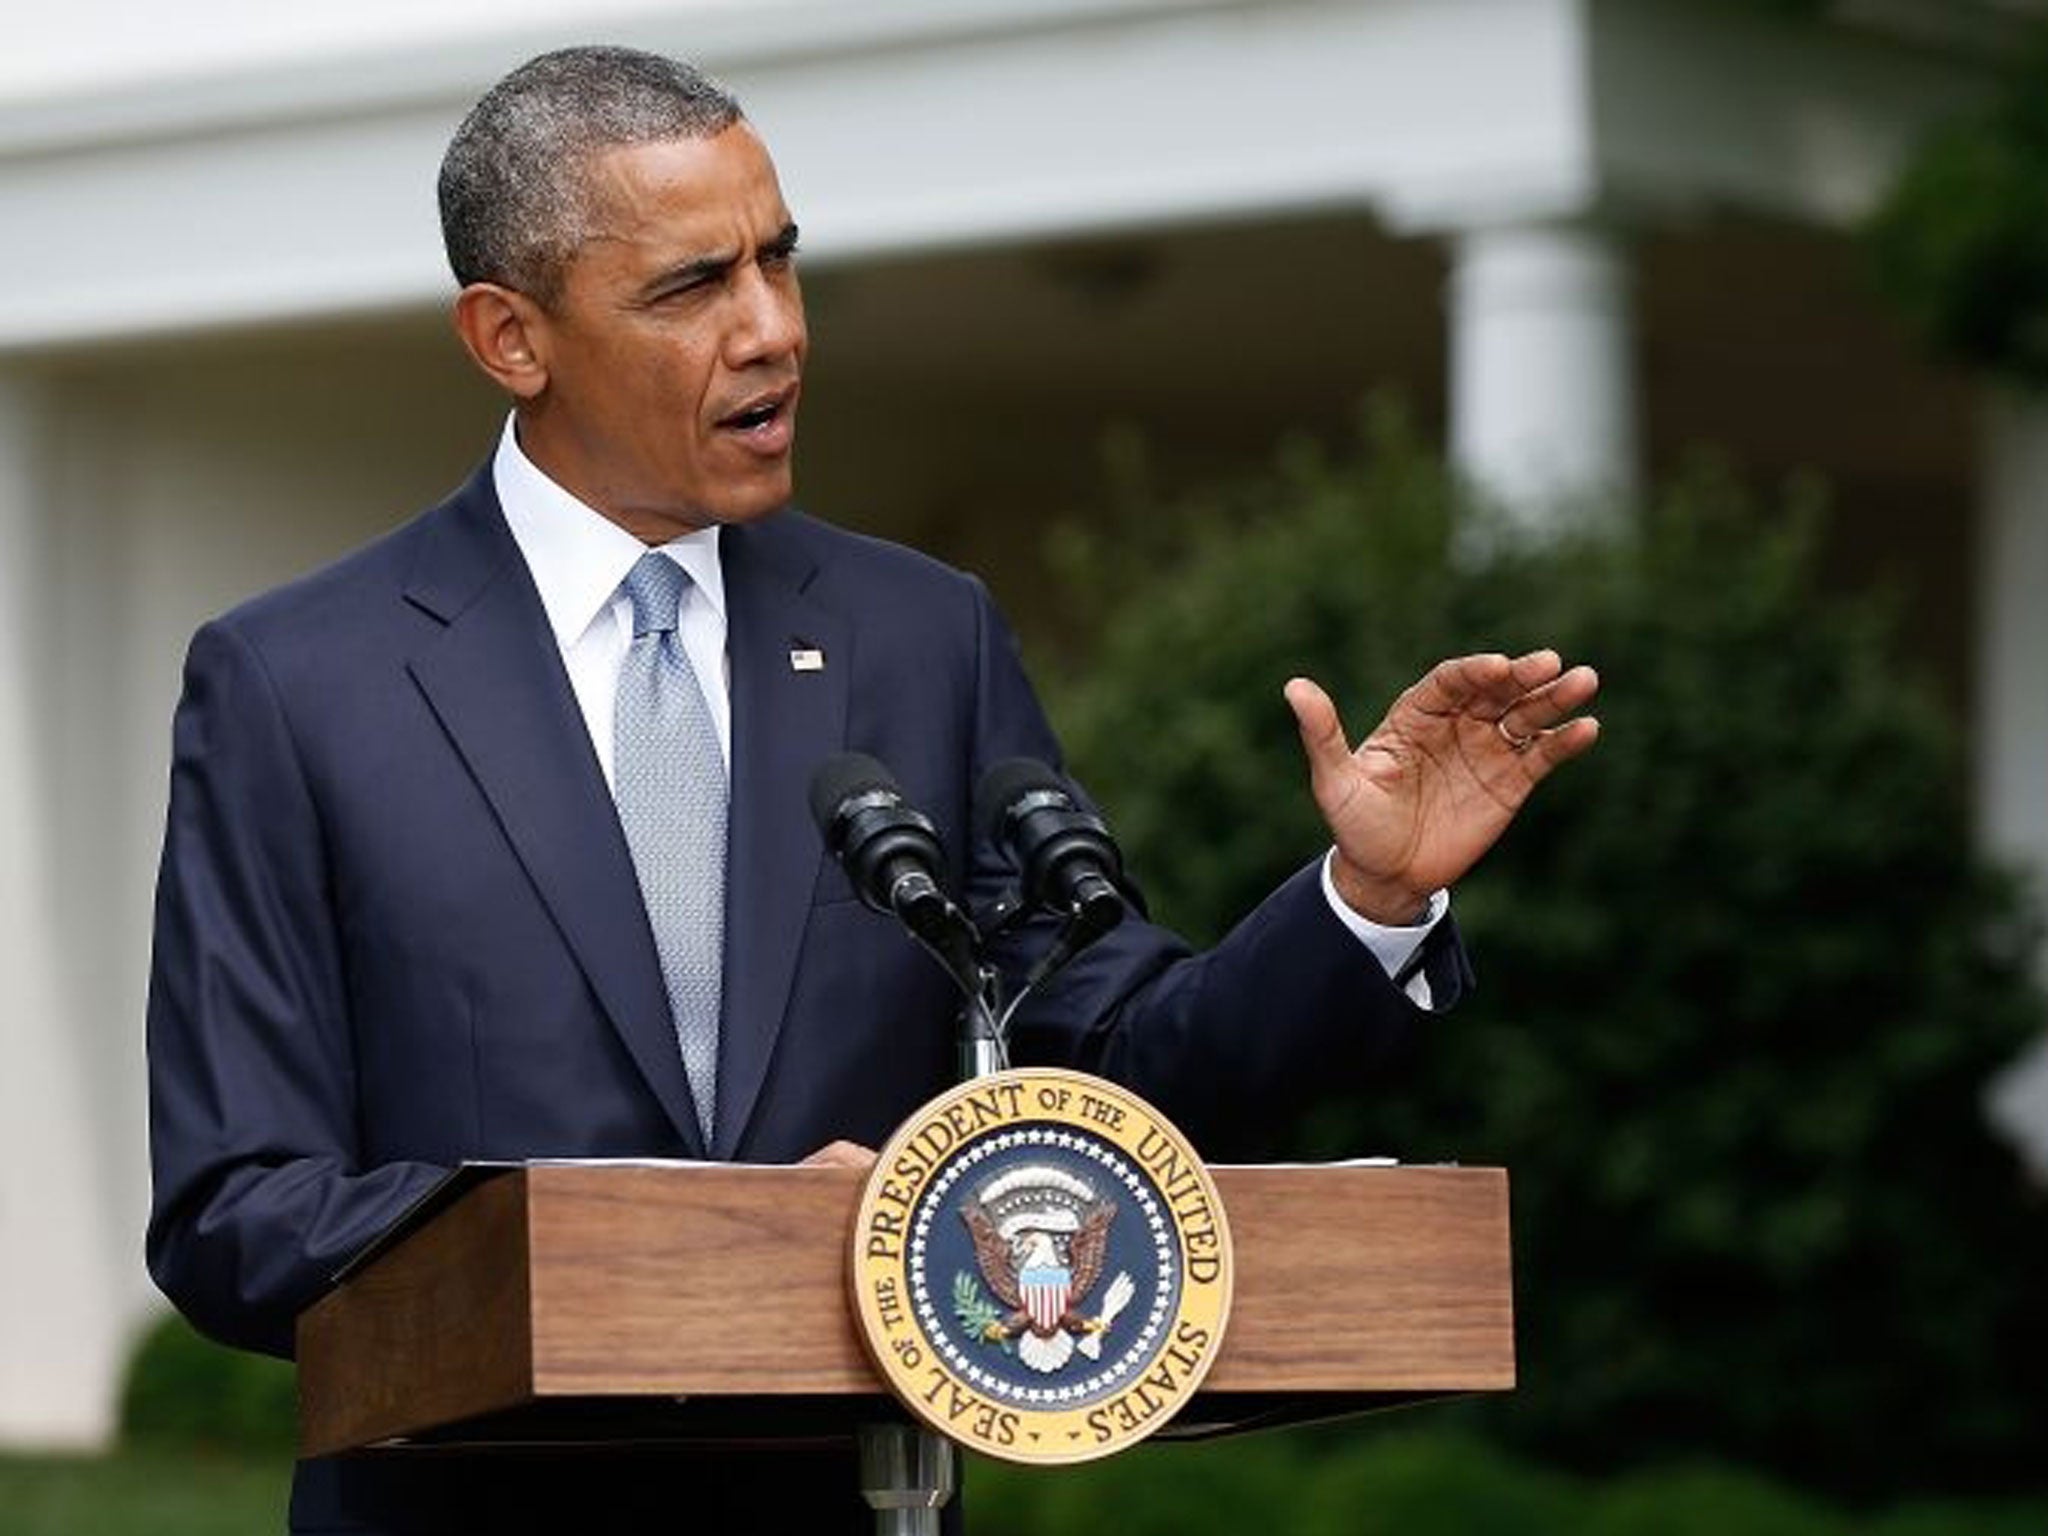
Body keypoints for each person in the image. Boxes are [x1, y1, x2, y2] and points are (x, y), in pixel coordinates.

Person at [144, 45, 1598, 1536]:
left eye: (781, 262)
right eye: (692, 288)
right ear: (513, 338)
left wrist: (1365, 900)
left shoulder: (922, 634)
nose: (774, 331)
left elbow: (1103, 1075)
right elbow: (234, 1211)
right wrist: (677, 1245)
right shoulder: (297, 684)